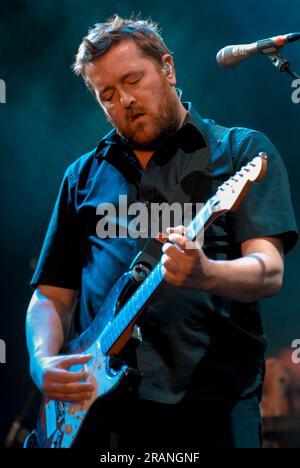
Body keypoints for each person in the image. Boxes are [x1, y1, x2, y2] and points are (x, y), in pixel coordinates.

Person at [26, 15, 298, 449]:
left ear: (167, 69)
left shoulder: (240, 151)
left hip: (213, 408)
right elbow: (51, 296)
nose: (125, 100)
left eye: (133, 79)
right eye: (107, 95)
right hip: (103, 414)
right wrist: (42, 363)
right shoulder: (82, 176)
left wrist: (206, 273)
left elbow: (269, 270)